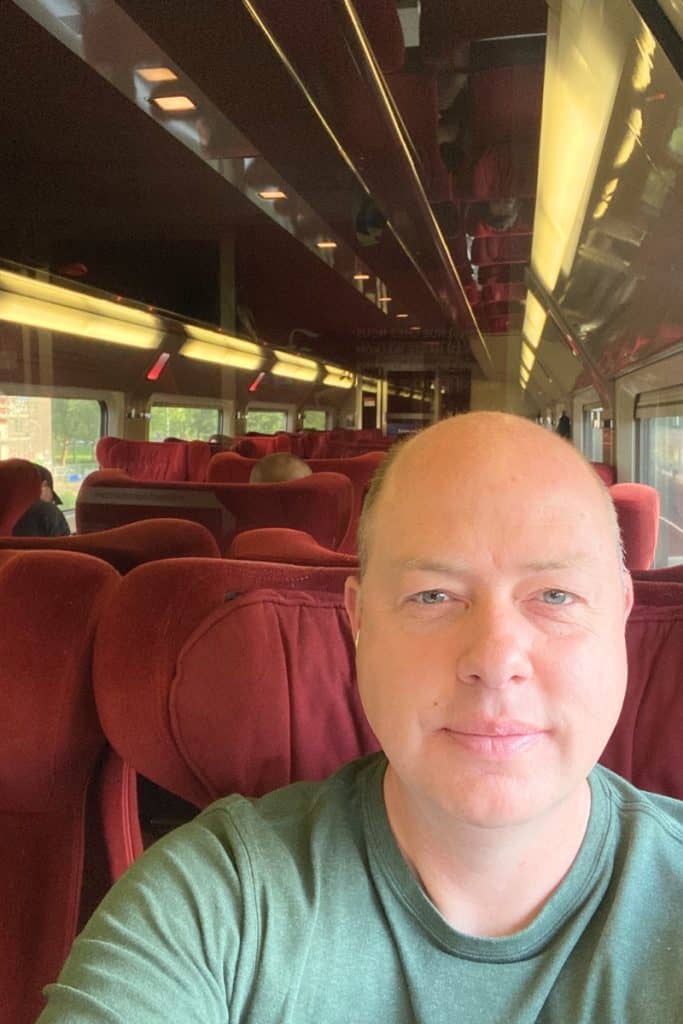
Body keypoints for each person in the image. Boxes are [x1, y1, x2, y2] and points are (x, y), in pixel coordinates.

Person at [37, 413, 682, 1022]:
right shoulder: (211, 904)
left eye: (556, 595)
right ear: (360, 621)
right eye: (433, 594)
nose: (494, 660)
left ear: (621, 616)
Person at [12, 463, 70, 537]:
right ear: (44, 485)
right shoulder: (48, 511)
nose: (52, 501)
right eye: (53, 499)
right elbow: (65, 545)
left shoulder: (6, 514)